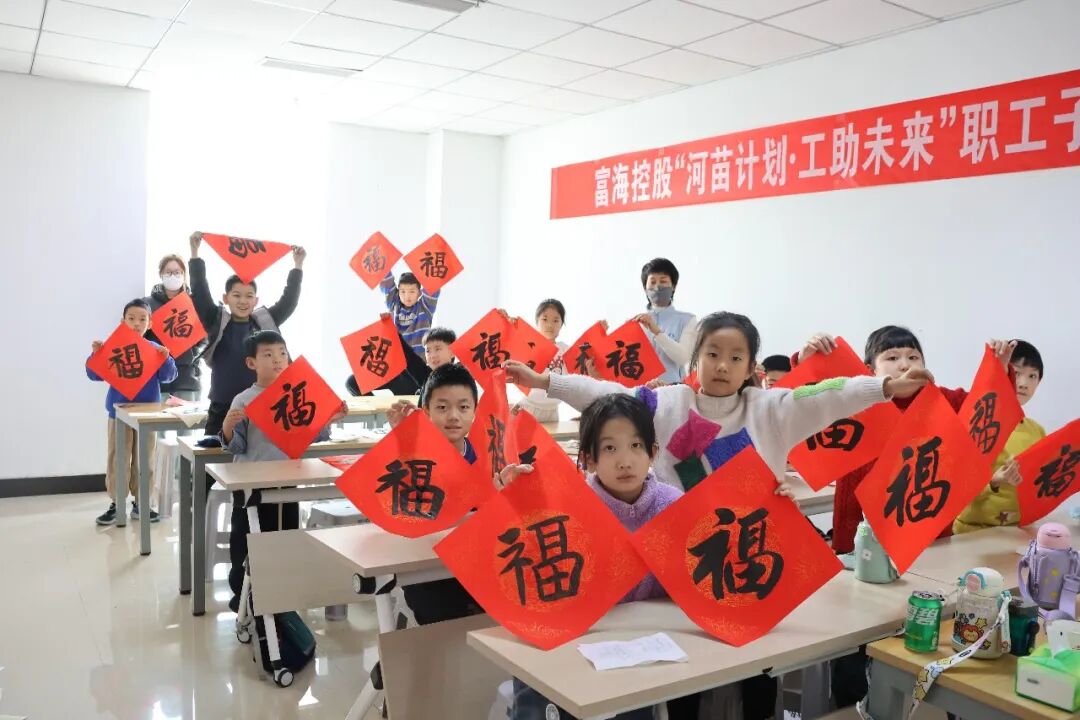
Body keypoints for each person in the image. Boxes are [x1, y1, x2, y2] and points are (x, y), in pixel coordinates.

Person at [798, 327, 1014, 710]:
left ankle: (908, 701)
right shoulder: (857, 398)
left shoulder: (943, 401)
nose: (905, 364)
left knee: (915, 628)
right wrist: (808, 360)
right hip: (860, 545)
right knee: (856, 635)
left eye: (913, 357)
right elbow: (807, 401)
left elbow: (987, 407)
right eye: (892, 357)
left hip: (926, 548)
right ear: (870, 370)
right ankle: (849, 702)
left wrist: (999, 371)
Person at [503, 393, 702, 720]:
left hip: (644, 646)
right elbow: (533, 574)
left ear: (653, 453)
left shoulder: (673, 506)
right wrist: (518, 508)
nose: (625, 461)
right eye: (610, 448)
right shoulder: (569, 505)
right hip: (578, 639)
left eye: (636, 446)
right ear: (589, 459)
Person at [220, 330, 345, 611]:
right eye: (268, 354)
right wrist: (227, 427)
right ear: (252, 363)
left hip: (287, 481)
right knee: (246, 539)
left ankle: (281, 595)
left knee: (285, 535)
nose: (277, 360)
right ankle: (243, 597)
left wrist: (329, 419)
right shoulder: (244, 399)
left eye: (282, 353)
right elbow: (236, 446)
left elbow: (310, 435)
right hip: (251, 484)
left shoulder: (295, 392)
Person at [188, 231, 306, 439]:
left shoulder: (265, 321)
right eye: (237, 295)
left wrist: (297, 266)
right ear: (226, 298)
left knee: (256, 454)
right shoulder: (215, 320)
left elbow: (289, 302)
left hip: (261, 404)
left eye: (249, 296)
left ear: (256, 300)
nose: (243, 301)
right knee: (213, 454)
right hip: (222, 405)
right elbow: (200, 292)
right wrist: (195, 253)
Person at [87, 298, 177, 526]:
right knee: (117, 458)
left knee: (145, 459)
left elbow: (169, 376)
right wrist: (96, 354)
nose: (137, 323)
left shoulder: (155, 349)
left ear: (150, 323)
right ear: (123, 321)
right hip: (118, 412)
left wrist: (166, 359)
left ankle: (142, 503)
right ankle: (116, 504)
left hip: (148, 414)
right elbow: (94, 374)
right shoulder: (112, 347)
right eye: (131, 318)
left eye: (142, 319)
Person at [954, 339, 1046, 533]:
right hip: (973, 531)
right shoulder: (979, 425)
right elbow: (958, 485)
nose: (1024, 384)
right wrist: (994, 481)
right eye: (1017, 373)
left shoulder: (1037, 431)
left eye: (1032, 376)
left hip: (1018, 530)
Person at [144, 254, 208, 403]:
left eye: (177, 272)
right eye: (168, 272)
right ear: (161, 274)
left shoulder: (195, 303)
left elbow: (206, 339)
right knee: (154, 418)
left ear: (184, 275)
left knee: (187, 418)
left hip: (188, 379)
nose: (173, 276)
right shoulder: (147, 304)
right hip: (158, 380)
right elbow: (141, 338)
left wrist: (191, 348)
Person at [632, 258, 697, 384]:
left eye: (663, 281)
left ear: (674, 286)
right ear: (645, 288)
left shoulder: (687, 320)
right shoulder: (634, 323)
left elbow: (683, 358)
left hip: (673, 389)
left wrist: (657, 332)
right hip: (640, 390)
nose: (657, 287)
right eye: (652, 282)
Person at [345, 314, 433, 397]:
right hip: (402, 374)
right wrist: (392, 330)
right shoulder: (401, 371)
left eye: (438, 349)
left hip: (417, 390)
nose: (433, 355)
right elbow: (410, 357)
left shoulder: (431, 377)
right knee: (351, 382)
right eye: (428, 351)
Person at [518, 299, 569, 422]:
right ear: (537, 322)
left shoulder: (565, 350)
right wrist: (504, 320)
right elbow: (508, 342)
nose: (550, 325)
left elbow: (587, 356)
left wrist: (600, 332)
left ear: (562, 324)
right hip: (529, 407)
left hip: (553, 411)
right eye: (545, 319)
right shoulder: (528, 346)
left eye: (555, 320)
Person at [380, 271, 439, 360]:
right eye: (403, 291)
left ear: (419, 293)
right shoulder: (394, 304)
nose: (407, 296)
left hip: (419, 360)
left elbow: (433, 285)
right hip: (398, 359)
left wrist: (426, 269)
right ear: (398, 292)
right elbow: (386, 279)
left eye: (412, 291)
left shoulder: (425, 307)